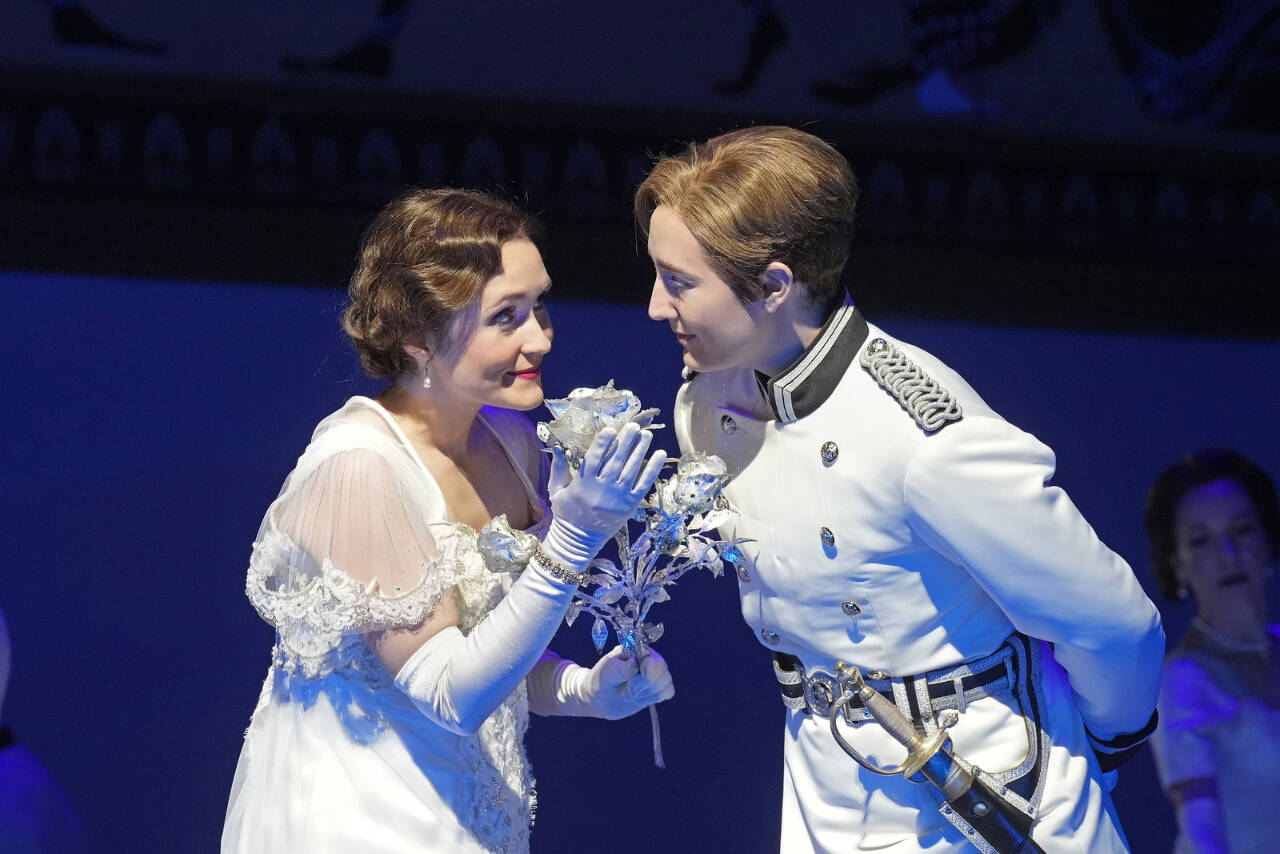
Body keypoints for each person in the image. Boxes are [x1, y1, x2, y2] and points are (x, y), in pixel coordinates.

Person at [635, 125, 1164, 853]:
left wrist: (1099, 748)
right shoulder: (706, 404)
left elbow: (1113, 623)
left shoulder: (919, 435)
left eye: (679, 282)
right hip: (828, 796)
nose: (656, 306)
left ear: (775, 286)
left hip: (985, 800)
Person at [222, 188, 670, 854]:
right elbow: (447, 692)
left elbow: (490, 646)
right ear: (417, 339)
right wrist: (574, 535)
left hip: (464, 816)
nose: (539, 336)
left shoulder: (513, 444)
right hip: (355, 820)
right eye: (506, 317)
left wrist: (578, 689)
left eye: (539, 306)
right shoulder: (360, 470)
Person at [1144, 450, 1280, 854]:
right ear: (1178, 563)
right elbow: (1202, 832)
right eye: (1201, 541)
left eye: (1241, 530)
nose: (1228, 554)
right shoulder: (1181, 681)